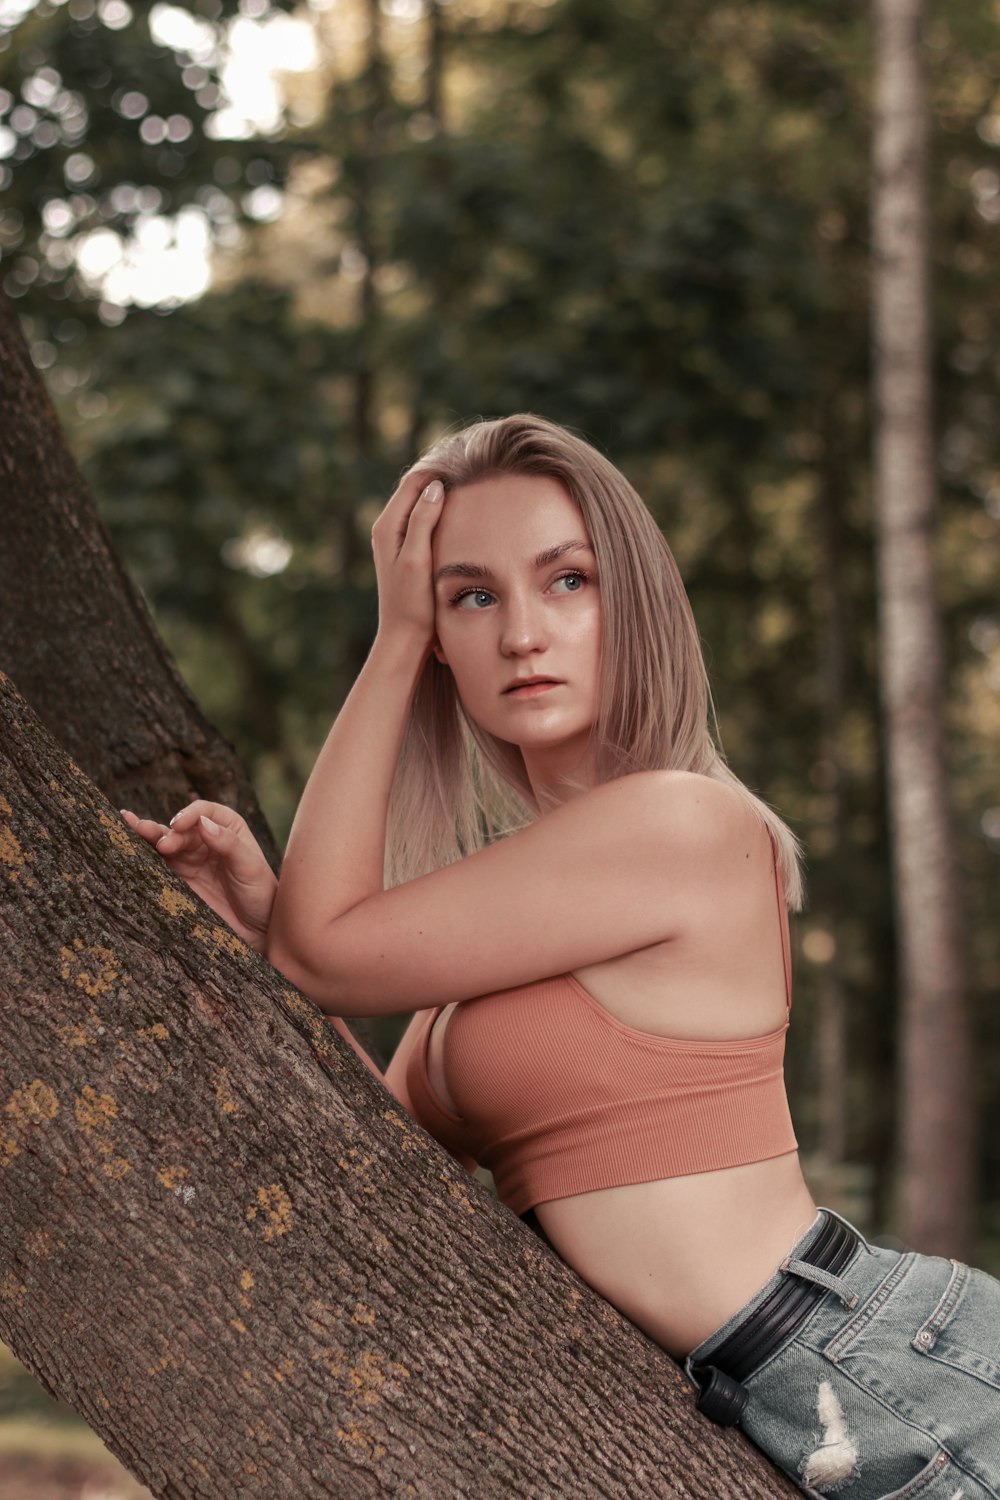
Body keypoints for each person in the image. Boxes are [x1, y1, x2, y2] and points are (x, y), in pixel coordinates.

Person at [121, 414, 1000, 1499]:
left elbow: (327, 955)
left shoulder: (684, 825)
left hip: (883, 1369)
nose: (522, 633)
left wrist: (393, 638)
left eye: (567, 580)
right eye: (470, 596)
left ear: (629, 601)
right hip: (782, 1391)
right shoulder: (511, 913)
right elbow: (378, 1160)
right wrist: (261, 931)